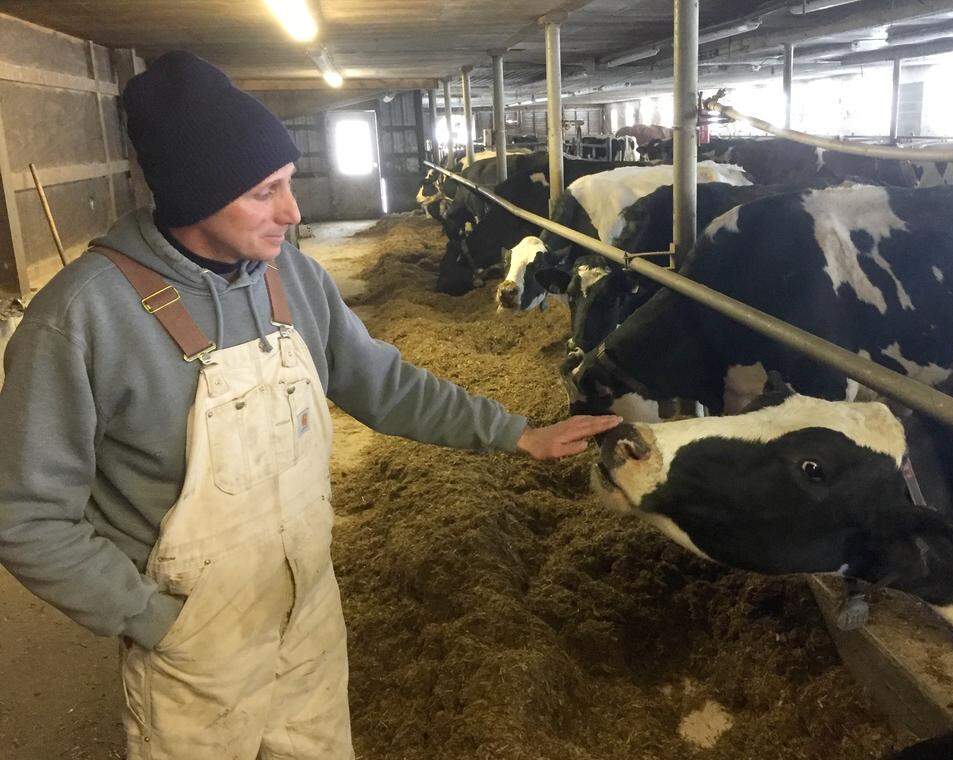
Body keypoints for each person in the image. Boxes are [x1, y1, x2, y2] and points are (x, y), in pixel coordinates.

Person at [0, 51, 620, 759]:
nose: (292, 213)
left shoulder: (288, 274)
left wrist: (519, 435)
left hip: (310, 610)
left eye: (290, 183)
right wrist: (152, 619)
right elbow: (25, 515)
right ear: (196, 193)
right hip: (196, 643)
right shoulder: (81, 317)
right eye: (266, 192)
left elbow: (380, 382)